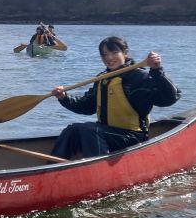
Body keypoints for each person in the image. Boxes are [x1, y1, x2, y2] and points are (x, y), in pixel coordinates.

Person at [49, 36, 181, 159]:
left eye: (114, 52)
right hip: (105, 134)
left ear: (125, 53)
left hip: (132, 136)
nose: (109, 58)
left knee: (90, 129)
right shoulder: (102, 79)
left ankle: (97, 169)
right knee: (72, 129)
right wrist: (64, 97)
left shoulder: (138, 78)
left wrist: (157, 71)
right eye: (104, 54)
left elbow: (170, 98)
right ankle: (53, 169)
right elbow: (87, 106)